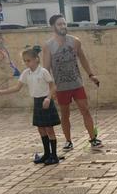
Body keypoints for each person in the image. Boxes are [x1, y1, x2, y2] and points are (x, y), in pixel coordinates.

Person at [42, 14, 103, 151]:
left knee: (85, 110)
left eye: (64, 23)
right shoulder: (48, 46)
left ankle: (93, 139)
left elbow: (83, 58)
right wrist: (49, 90)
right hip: (61, 86)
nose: (63, 26)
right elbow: (45, 70)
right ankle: (68, 141)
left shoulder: (75, 41)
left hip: (76, 83)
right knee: (65, 114)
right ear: (53, 27)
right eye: (59, 24)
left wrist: (91, 75)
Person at [0, 46, 61, 165]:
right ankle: (46, 154)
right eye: (25, 61)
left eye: (28, 60)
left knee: (49, 129)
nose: (26, 63)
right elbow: (17, 88)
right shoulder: (26, 73)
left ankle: (54, 156)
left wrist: (48, 98)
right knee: (41, 129)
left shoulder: (43, 72)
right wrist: (1, 92)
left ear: (36, 59)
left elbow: (53, 86)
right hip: (37, 102)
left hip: (46, 101)